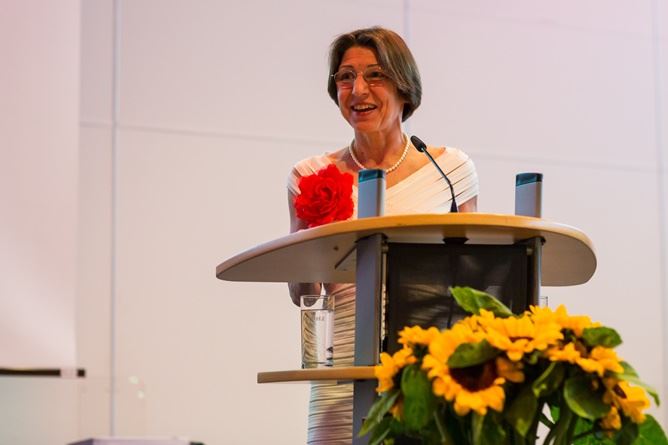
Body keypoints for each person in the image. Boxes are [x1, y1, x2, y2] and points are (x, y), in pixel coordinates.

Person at [287, 27, 479, 444]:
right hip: (341, 369)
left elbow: (473, 283)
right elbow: (304, 295)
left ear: (404, 86)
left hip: (427, 374)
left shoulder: (450, 170)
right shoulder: (310, 176)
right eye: (346, 77)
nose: (358, 90)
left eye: (375, 75)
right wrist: (312, 245)